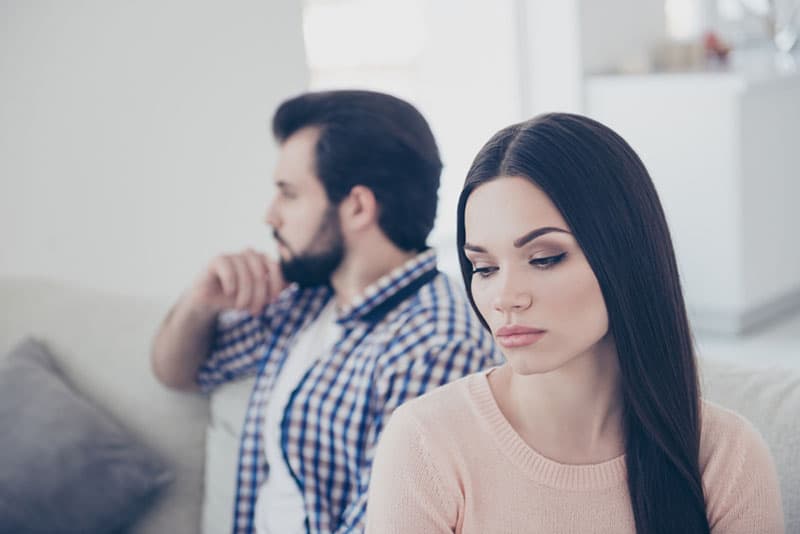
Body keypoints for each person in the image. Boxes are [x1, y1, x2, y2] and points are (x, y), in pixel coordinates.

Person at [365, 113, 785, 534]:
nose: (506, 298)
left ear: (625, 256)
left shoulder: (725, 454)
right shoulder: (425, 443)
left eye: (544, 258)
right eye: (485, 267)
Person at [150, 90, 501, 534]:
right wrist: (200, 302)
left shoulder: (434, 345)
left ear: (357, 206)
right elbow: (177, 372)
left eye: (289, 195)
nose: (270, 215)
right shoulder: (303, 299)